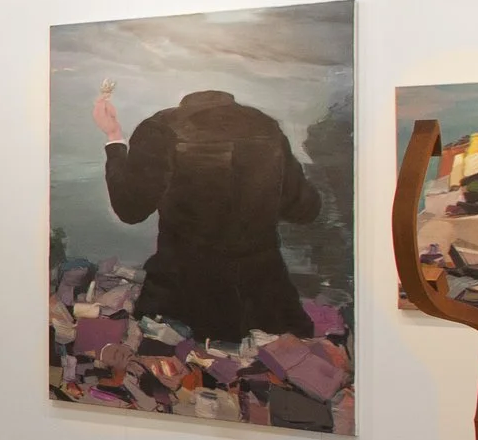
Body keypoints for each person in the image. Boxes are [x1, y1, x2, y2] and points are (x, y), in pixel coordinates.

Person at [94, 84, 323, 342]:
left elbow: (130, 209)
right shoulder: (266, 127)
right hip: (266, 303)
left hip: (183, 301)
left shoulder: (160, 128)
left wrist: (114, 137)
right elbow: (305, 210)